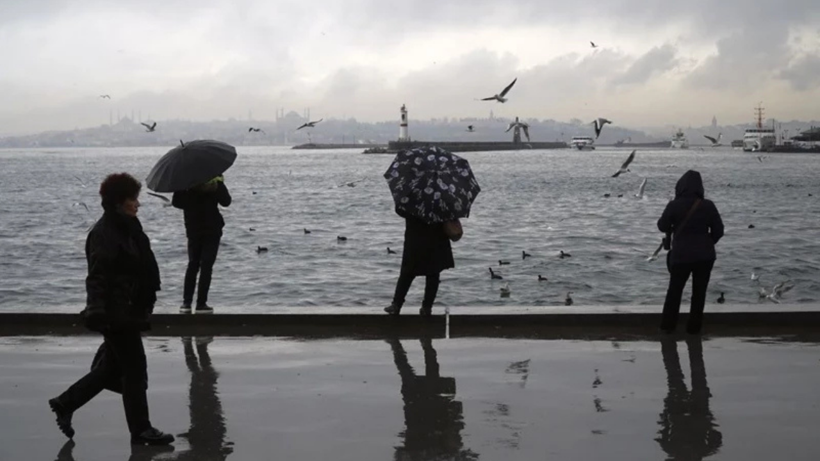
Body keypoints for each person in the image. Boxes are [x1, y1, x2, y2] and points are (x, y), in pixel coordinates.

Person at [48, 173, 174, 446]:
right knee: (135, 369)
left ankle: (65, 403)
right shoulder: (104, 233)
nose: (137, 204)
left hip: (129, 309)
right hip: (117, 313)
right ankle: (141, 429)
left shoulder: (129, 228)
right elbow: (97, 275)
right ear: (119, 202)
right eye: (132, 199)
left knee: (111, 368)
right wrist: (97, 311)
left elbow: (141, 269)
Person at [658, 170, 724, 334]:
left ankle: (668, 327)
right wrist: (708, 242)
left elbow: (662, 226)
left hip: (681, 256)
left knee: (675, 291)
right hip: (705, 257)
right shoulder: (708, 205)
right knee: (699, 293)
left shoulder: (674, 205)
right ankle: (694, 329)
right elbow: (719, 230)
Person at [172, 176, 232, 314]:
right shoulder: (214, 180)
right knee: (207, 266)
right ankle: (201, 304)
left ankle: (186, 303)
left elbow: (176, 203)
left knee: (193, 264)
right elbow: (226, 202)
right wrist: (219, 184)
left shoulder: (186, 181)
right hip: (212, 228)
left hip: (193, 228)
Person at [384, 210, 454, 316]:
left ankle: (397, 305)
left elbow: (401, 211)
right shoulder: (441, 198)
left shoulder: (412, 198)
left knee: (408, 273)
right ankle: (426, 307)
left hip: (417, 238)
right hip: (434, 239)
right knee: (431, 274)